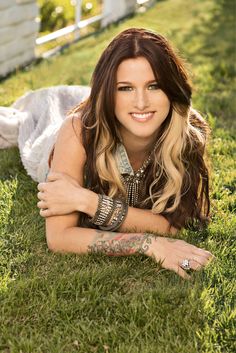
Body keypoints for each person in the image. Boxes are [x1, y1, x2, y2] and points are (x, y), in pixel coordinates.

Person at [36, 28, 213, 279]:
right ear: (109, 92)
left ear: (171, 89)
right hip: (50, 141)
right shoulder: (78, 131)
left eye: (154, 86)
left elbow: (172, 225)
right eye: (125, 88)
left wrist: (86, 201)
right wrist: (147, 244)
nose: (141, 102)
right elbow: (60, 236)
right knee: (35, 116)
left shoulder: (187, 132)